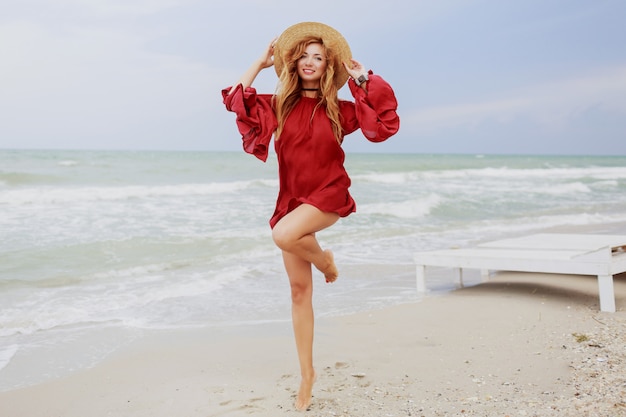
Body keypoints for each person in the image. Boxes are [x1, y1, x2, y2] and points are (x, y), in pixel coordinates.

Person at [222, 21, 399, 411]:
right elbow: (236, 99)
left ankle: (325, 260)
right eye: (303, 56)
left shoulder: (341, 109)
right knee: (299, 292)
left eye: (318, 57)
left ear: (328, 66)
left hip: (327, 195)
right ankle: (307, 375)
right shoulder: (278, 105)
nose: (310, 62)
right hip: (291, 201)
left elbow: (385, 123)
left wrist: (363, 78)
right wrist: (260, 62)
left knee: (283, 236)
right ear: (293, 62)